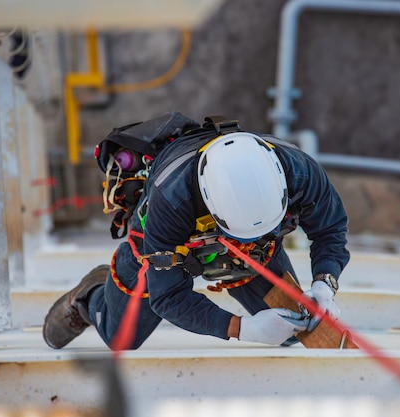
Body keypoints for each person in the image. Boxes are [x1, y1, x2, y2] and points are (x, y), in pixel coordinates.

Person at [42, 113, 350, 349]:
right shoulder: (171, 200)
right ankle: (92, 297)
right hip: (174, 245)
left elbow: (330, 229)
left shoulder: (300, 172)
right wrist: (242, 329)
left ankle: (249, 251)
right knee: (121, 338)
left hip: (255, 249)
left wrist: (325, 281)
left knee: (292, 331)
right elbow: (169, 296)